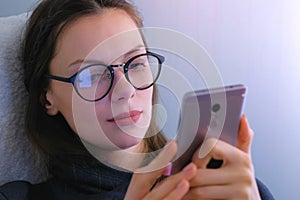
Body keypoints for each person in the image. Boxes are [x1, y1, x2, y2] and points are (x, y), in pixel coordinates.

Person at [0, 0, 274, 199]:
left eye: (135, 62)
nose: (125, 90)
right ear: (47, 99)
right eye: (92, 75)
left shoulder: (227, 184)